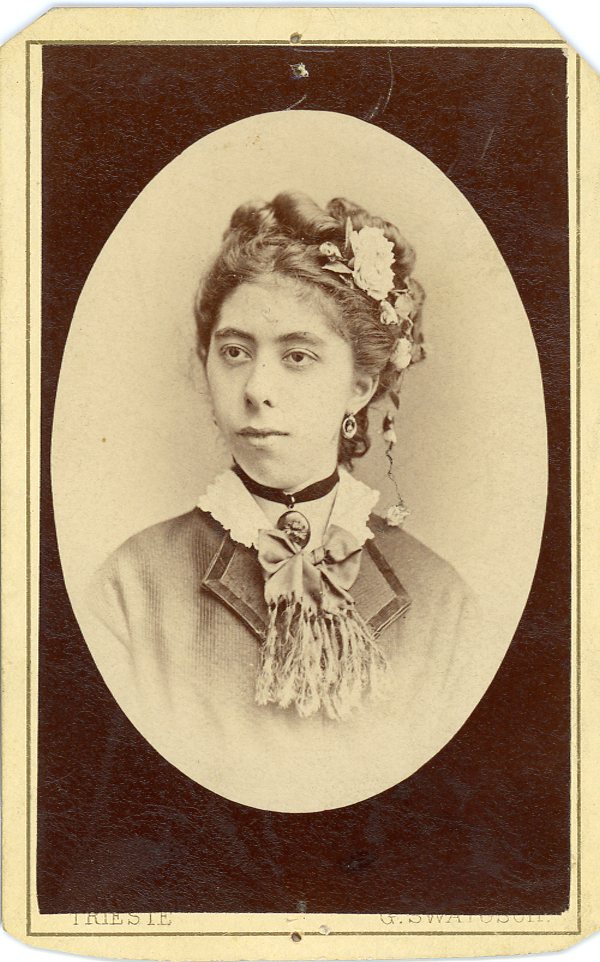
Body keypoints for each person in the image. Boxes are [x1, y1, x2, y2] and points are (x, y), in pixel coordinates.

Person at [86, 191, 481, 812]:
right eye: (234, 352)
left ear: (360, 386)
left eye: (297, 356)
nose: (256, 388)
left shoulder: (442, 602)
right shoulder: (132, 587)